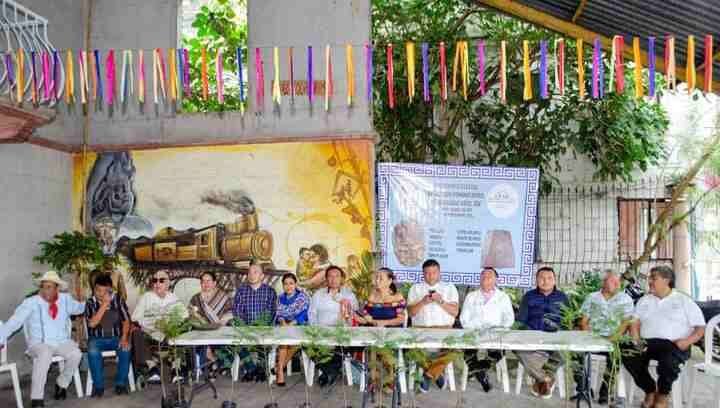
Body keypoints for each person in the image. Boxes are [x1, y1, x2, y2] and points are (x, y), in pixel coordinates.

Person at [622, 266, 705, 408]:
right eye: (649, 278)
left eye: (653, 278)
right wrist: (636, 341)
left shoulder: (683, 300)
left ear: (667, 280)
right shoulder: (644, 300)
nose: (649, 281)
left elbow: (700, 327)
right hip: (648, 343)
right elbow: (634, 323)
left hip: (675, 344)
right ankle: (650, 390)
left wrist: (686, 342)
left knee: (668, 361)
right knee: (627, 351)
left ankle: (663, 394)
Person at [0, 271, 85, 408]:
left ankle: (61, 383)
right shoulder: (30, 303)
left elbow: (80, 308)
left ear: (57, 288)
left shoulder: (65, 300)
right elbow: (13, 323)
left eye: (49, 287)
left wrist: (98, 302)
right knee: (45, 353)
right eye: (43, 286)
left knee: (76, 354)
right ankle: (37, 399)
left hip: (61, 342)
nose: (45, 290)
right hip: (38, 344)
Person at [571, 270, 634, 405]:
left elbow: (626, 322)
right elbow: (584, 321)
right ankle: (584, 389)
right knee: (574, 353)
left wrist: (614, 338)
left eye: (618, 281)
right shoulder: (592, 297)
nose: (617, 284)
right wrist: (591, 337)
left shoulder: (625, 299)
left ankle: (605, 392)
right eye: (612, 281)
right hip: (593, 337)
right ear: (603, 282)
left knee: (616, 356)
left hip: (613, 339)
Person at [515, 266, 569, 398]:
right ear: (536, 280)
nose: (545, 281)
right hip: (533, 335)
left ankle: (540, 379)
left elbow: (567, 321)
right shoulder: (528, 297)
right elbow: (521, 321)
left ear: (555, 280)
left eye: (549, 278)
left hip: (556, 337)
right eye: (542, 278)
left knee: (565, 352)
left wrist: (560, 332)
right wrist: (529, 334)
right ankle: (546, 379)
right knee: (517, 348)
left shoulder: (562, 297)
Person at [407, 259, 460, 393]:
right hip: (420, 330)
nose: (431, 276)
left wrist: (440, 301)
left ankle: (429, 374)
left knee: (456, 349)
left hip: (445, 330)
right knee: (411, 350)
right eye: (427, 273)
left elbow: (454, 312)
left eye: (434, 273)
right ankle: (437, 373)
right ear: (423, 274)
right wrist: (423, 302)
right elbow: (410, 313)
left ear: (439, 272)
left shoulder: (449, 288)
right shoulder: (415, 288)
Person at [459, 267, 514, 392]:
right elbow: (463, 319)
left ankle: (478, 371)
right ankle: (481, 374)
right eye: (483, 276)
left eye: (489, 276)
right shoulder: (471, 296)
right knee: (467, 350)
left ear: (496, 280)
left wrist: (499, 329)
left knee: (498, 351)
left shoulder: (503, 297)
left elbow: (509, 319)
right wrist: (476, 327)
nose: (486, 279)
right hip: (474, 332)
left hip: (496, 333)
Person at [131, 269, 188, 383]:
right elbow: (135, 317)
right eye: (155, 280)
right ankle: (152, 369)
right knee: (136, 334)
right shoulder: (146, 297)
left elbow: (184, 314)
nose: (157, 283)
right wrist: (149, 324)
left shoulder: (173, 297)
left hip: (168, 332)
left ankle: (175, 369)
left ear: (168, 283)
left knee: (181, 332)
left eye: (161, 280)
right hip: (150, 332)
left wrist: (171, 323)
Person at [355, 267, 407, 393]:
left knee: (383, 348)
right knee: (373, 346)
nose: (377, 280)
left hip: (393, 333)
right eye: (376, 278)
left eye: (381, 278)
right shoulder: (372, 296)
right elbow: (365, 318)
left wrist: (383, 323)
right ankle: (375, 381)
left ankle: (387, 382)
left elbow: (401, 319)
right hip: (375, 333)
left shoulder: (397, 297)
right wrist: (355, 316)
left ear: (390, 281)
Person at [308, 265, 359, 387]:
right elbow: (312, 313)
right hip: (321, 331)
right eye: (330, 276)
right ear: (326, 279)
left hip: (341, 332)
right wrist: (316, 329)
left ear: (342, 279)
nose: (333, 279)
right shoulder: (318, 294)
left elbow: (354, 312)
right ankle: (331, 372)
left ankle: (327, 373)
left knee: (341, 347)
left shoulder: (349, 294)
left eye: (337, 276)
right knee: (307, 345)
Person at [85, 272, 132, 397]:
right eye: (98, 290)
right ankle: (99, 386)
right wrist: (104, 305)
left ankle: (120, 383)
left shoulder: (118, 300)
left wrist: (124, 338)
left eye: (105, 291)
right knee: (93, 351)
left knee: (126, 349)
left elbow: (126, 320)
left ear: (110, 290)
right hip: (96, 339)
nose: (101, 294)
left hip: (116, 338)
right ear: (94, 289)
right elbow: (92, 324)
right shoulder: (90, 303)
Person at [232, 262, 277, 382]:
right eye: (249, 272)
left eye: (255, 272)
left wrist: (260, 328)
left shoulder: (270, 292)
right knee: (237, 343)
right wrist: (246, 328)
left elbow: (271, 312)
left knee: (265, 343)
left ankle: (261, 369)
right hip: (245, 329)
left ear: (262, 276)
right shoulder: (241, 291)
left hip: (264, 329)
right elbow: (237, 312)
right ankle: (252, 369)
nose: (251, 275)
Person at [188, 272, 233, 374]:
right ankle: (213, 363)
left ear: (214, 283)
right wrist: (198, 321)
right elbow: (191, 315)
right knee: (201, 342)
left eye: (208, 281)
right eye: (203, 281)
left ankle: (214, 364)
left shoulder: (223, 297)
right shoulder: (195, 298)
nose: (206, 284)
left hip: (219, 329)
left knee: (222, 342)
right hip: (201, 331)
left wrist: (221, 323)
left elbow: (230, 312)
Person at [274, 273, 310, 386]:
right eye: (285, 284)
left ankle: (279, 367)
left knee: (295, 343)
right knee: (284, 342)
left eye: (291, 283)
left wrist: (292, 323)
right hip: (284, 326)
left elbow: (305, 314)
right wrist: (283, 322)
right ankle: (280, 372)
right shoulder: (280, 298)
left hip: (299, 325)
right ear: (283, 285)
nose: (288, 286)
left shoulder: (302, 297)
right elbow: (278, 314)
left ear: (295, 284)